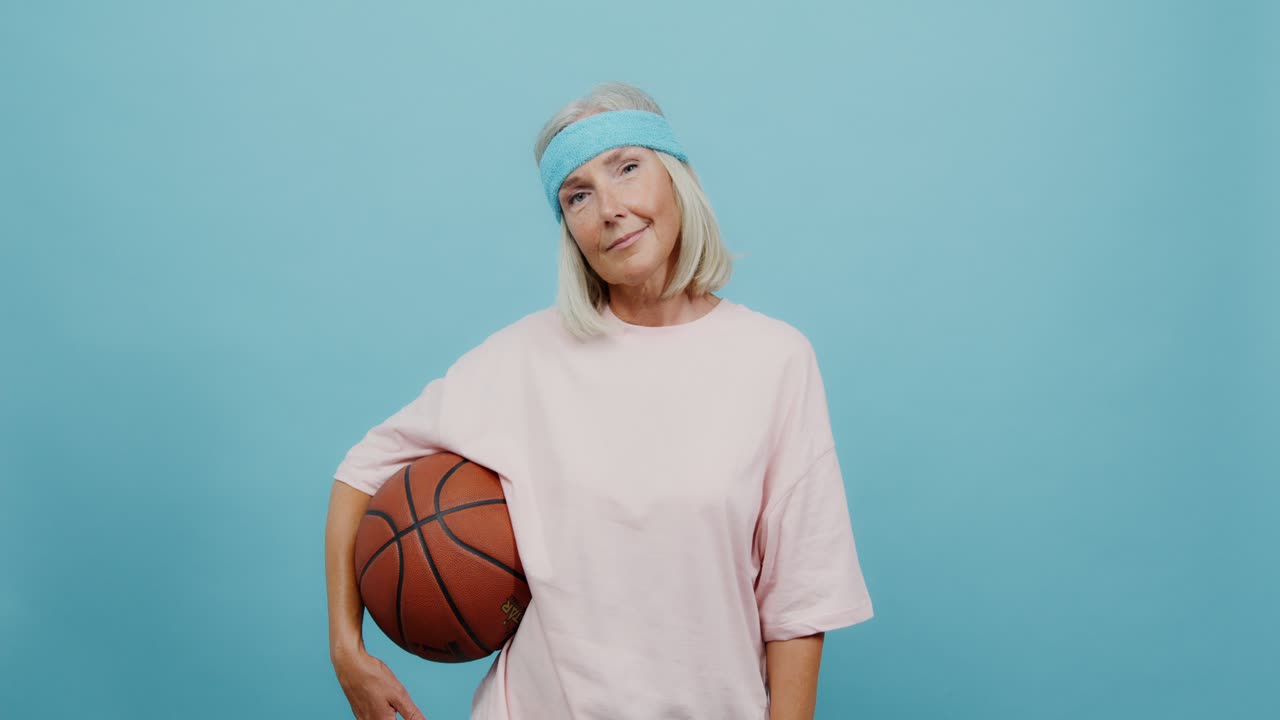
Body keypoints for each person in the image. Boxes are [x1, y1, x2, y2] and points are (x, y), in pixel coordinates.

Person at [324, 81, 874, 720]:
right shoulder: (523, 359)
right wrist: (346, 648)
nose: (609, 208)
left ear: (676, 179)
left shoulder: (776, 360)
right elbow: (362, 470)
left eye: (628, 169)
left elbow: (800, 598)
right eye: (577, 195)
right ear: (569, 229)